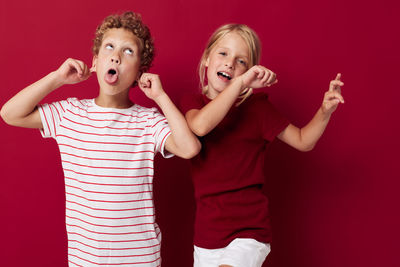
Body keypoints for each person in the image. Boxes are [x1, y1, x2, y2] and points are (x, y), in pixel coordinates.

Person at [1, 11, 200, 266]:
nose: (116, 55)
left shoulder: (148, 120)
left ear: (140, 72)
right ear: (95, 62)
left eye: (128, 51)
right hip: (86, 259)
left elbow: (189, 148)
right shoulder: (69, 113)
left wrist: (161, 97)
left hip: (139, 258)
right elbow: (9, 113)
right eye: (110, 47)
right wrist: (58, 78)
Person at [180, 24, 344, 267]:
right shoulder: (192, 103)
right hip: (206, 236)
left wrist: (324, 111)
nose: (230, 64)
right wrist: (240, 84)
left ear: (250, 71)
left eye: (241, 61)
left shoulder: (258, 109)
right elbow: (201, 126)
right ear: (206, 59)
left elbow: (303, 141)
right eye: (223, 54)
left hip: (248, 232)